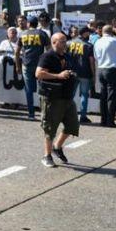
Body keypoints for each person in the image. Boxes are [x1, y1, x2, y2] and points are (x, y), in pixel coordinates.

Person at [37, 32, 79, 168]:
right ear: (54, 42)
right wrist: (58, 75)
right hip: (52, 97)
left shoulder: (66, 56)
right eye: (61, 41)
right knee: (50, 127)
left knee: (73, 125)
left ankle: (57, 146)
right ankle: (47, 156)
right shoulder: (47, 56)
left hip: (67, 97)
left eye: (65, 41)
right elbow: (39, 73)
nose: (64, 43)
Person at [93, 23, 116, 127]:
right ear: (112, 32)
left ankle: (103, 120)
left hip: (101, 69)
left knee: (103, 96)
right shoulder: (115, 40)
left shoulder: (98, 41)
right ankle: (110, 121)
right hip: (112, 70)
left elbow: (96, 56)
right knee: (112, 96)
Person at [14, 15, 48, 120]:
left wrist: (17, 65)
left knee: (28, 90)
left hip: (26, 64)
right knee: (42, 89)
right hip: (40, 65)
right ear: (37, 24)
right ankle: (44, 113)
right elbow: (49, 49)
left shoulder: (22, 34)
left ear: (28, 24)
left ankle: (31, 114)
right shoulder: (42, 34)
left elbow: (17, 51)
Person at [67, 27, 96, 124]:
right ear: (85, 33)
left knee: (70, 94)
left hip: (72, 72)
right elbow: (91, 61)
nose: (90, 35)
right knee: (84, 95)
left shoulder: (69, 43)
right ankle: (82, 116)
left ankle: (67, 114)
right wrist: (93, 74)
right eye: (89, 33)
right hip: (85, 72)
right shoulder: (88, 45)